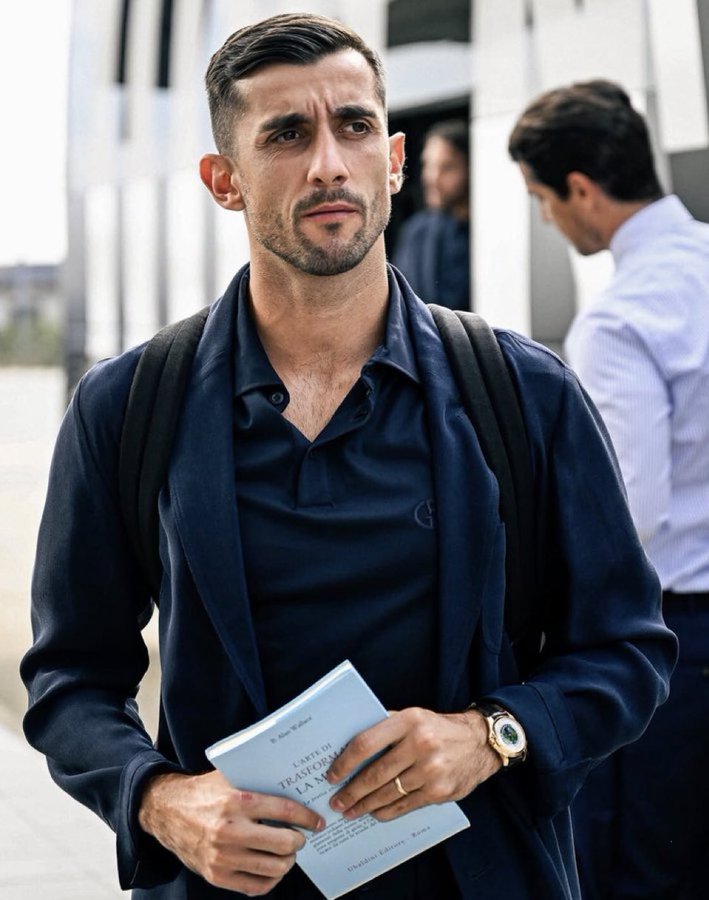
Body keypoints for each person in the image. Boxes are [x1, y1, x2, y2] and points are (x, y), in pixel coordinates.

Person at [21, 18, 676, 900]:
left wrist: (493, 735)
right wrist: (160, 798)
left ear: (395, 160)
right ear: (224, 180)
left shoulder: (522, 390)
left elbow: (627, 650)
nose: (328, 162)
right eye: (286, 135)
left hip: (478, 878)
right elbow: (69, 681)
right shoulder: (128, 406)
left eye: (355, 126)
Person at [509, 79, 709, 900]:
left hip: (677, 644)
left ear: (580, 191)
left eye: (539, 199)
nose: (546, 218)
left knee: (642, 872)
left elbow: (627, 522)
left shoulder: (619, 320)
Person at [392, 119, 470, 310]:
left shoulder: (486, 232)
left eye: (448, 167)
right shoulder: (417, 231)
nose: (432, 178)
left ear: (470, 168)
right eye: (428, 165)